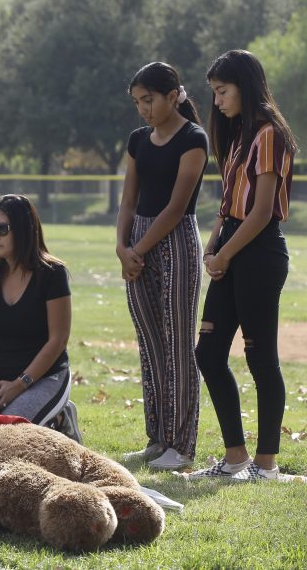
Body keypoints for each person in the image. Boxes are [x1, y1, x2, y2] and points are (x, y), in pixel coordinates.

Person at [186, 50, 297, 481]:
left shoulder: (269, 134)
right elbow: (229, 206)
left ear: (244, 87)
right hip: (232, 247)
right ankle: (235, 459)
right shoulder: (239, 136)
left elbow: (263, 211)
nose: (217, 101)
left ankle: (266, 466)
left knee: (260, 357)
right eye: (214, 92)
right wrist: (212, 249)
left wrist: (226, 254)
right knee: (209, 353)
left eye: (222, 91)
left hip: (258, 253)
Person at [116, 62, 208, 471]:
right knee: (150, 342)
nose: (143, 109)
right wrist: (121, 247)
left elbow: (175, 207)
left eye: (149, 100)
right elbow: (129, 200)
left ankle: (181, 446)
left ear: (173, 96)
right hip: (137, 244)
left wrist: (137, 249)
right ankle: (157, 439)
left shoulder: (194, 138)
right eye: (137, 102)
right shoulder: (138, 140)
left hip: (176, 243)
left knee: (178, 345)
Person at [0, 194, 81, 441]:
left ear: (24, 229)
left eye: (1, 229)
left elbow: (58, 340)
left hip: (45, 376)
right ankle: (51, 419)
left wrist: (19, 384)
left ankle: (60, 418)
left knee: (3, 438)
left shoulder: (52, 273)